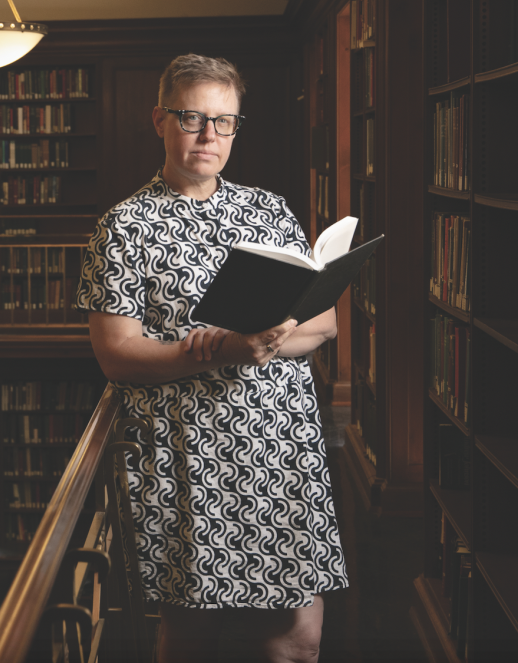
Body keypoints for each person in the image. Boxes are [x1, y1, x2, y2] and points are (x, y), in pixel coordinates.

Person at [75, 54, 348, 663]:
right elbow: (116, 355)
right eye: (192, 117)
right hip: (187, 452)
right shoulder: (122, 227)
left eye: (224, 122)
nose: (208, 136)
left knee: (299, 641)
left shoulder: (269, 211)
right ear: (159, 120)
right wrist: (225, 350)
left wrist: (260, 341)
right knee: (193, 640)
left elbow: (324, 324)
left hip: (280, 447)